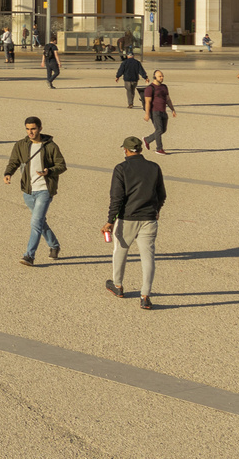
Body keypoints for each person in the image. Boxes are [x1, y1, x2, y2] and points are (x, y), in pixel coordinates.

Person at [103, 136, 166, 309]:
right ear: (141, 149)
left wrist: (110, 221)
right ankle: (145, 295)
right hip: (149, 218)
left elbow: (117, 197)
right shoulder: (154, 167)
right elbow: (161, 194)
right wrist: (156, 210)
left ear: (126, 150)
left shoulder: (121, 168)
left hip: (127, 218)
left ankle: (118, 285)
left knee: (120, 251)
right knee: (148, 257)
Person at [3, 116, 66, 266]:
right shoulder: (21, 145)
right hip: (28, 190)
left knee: (36, 222)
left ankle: (29, 256)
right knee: (40, 222)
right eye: (28, 129)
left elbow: (62, 165)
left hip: (44, 190)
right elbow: (14, 161)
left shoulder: (50, 146)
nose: (30, 132)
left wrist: (48, 171)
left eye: (33, 129)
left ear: (40, 128)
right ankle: (54, 245)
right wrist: (8, 173)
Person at [140, 71, 176, 154]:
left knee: (163, 130)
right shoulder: (150, 88)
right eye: (160, 76)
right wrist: (147, 114)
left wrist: (172, 109)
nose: (162, 78)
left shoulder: (164, 87)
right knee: (159, 130)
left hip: (163, 111)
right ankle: (159, 149)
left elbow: (168, 99)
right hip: (155, 112)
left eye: (162, 76)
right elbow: (147, 102)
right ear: (154, 77)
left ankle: (147, 139)